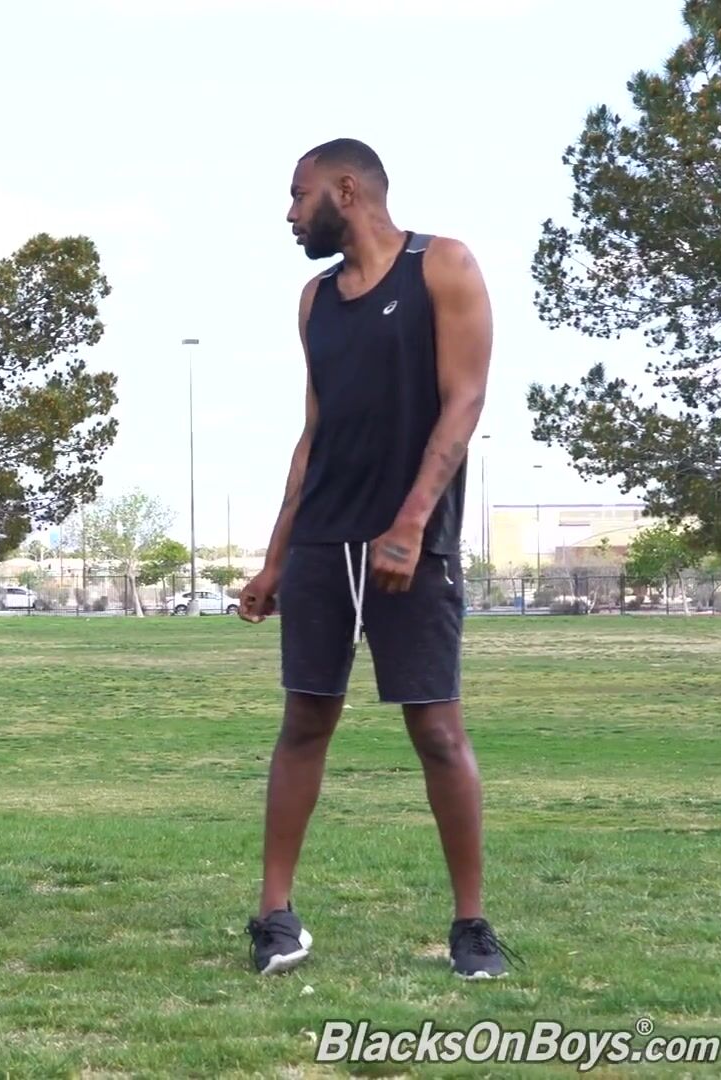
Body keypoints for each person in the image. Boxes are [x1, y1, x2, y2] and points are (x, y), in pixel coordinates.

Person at [236, 139, 509, 979]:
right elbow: (313, 435)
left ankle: (471, 927)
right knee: (304, 721)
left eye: (299, 195)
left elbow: (465, 403)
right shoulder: (315, 300)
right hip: (324, 542)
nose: (290, 214)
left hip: (410, 544)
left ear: (345, 191)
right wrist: (275, 558)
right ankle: (274, 917)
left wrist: (412, 522)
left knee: (437, 730)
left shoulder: (444, 266)